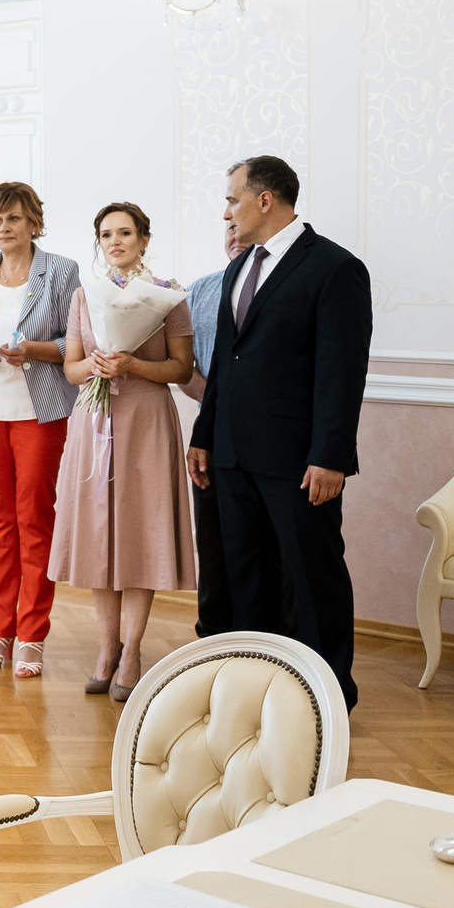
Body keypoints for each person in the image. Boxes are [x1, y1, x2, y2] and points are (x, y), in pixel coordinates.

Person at [187, 156, 373, 706]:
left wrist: (331, 456)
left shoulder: (336, 268)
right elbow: (226, 361)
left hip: (299, 460)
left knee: (312, 576)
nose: (226, 211)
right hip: (232, 454)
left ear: (264, 200)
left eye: (231, 199)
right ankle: (260, 691)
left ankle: (329, 697)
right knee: (245, 575)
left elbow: (342, 373)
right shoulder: (238, 268)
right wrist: (204, 434)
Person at [53, 202, 196, 700]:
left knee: (141, 532)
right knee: (98, 534)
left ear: (144, 239)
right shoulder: (83, 296)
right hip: (93, 424)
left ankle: (133, 651)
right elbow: (70, 369)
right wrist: (94, 365)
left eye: (125, 233)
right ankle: (105, 649)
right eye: (106, 234)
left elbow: (181, 369)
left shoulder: (167, 295)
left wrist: (132, 364)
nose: (114, 242)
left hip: (146, 422)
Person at [0, 182, 80, 679]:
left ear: (33, 224)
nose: (4, 228)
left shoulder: (61, 271)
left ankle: (32, 635)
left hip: (39, 411)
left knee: (34, 518)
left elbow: (75, 340)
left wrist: (37, 350)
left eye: (14, 219)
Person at [181, 221, 246, 636]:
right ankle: (213, 637)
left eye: (242, 226)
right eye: (229, 228)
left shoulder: (283, 288)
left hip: (270, 440)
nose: (234, 236)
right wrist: (219, 407)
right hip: (210, 436)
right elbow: (181, 367)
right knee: (215, 544)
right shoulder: (200, 290)